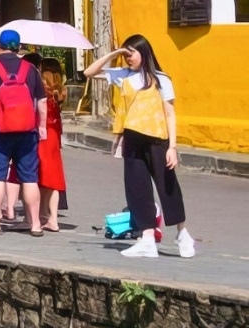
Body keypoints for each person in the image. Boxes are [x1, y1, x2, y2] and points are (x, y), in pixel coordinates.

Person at [84, 36, 195, 259]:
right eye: (125, 55)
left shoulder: (161, 79)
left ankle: (183, 234)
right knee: (137, 189)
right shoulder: (123, 76)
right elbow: (89, 72)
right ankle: (146, 237)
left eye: (131, 53)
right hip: (132, 140)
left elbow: (170, 113)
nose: (128, 58)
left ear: (144, 53)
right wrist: (115, 54)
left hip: (157, 140)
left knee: (168, 187)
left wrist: (172, 147)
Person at [0, 29, 47, 236]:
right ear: (19, 46)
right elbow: (41, 100)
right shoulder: (30, 69)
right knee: (29, 178)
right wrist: (41, 126)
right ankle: (35, 224)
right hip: (26, 131)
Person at [35, 57, 68, 233]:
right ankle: (52, 218)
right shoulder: (61, 90)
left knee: (41, 176)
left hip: (43, 133)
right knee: (53, 178)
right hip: (55, 134)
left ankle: (41, 214)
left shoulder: (41, 88)